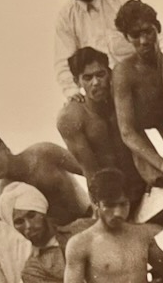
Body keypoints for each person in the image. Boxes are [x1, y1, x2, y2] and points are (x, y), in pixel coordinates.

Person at [56, 48, 145, 207]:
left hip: (144, 186)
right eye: (88, 78)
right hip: (111, 197)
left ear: (109, 73)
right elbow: (91, 172)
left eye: (100, 74)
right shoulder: (71, 118)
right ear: (77, 81)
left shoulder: (124, 100)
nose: (96, 82)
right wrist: (105, 208)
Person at [51, 0, 134, 100]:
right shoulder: (66, 17)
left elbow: (154, 37)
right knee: (68, 114)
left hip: (135, 89)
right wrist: (72, 92)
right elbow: (64, 64)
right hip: (99, 97)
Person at [0, 130, 90, 226]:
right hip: (64, 241)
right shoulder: (5, 193)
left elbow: (89, 171)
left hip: (92, 216)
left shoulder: (44, 153)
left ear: (3, 147)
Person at [112, 0, 163, 190]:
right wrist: (160, 163)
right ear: (127, 37)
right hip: (144, 142)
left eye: (148, 31)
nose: (144, 41)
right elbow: (127, 132)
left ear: (157, 28)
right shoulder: (124, 72)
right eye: (135, 35)